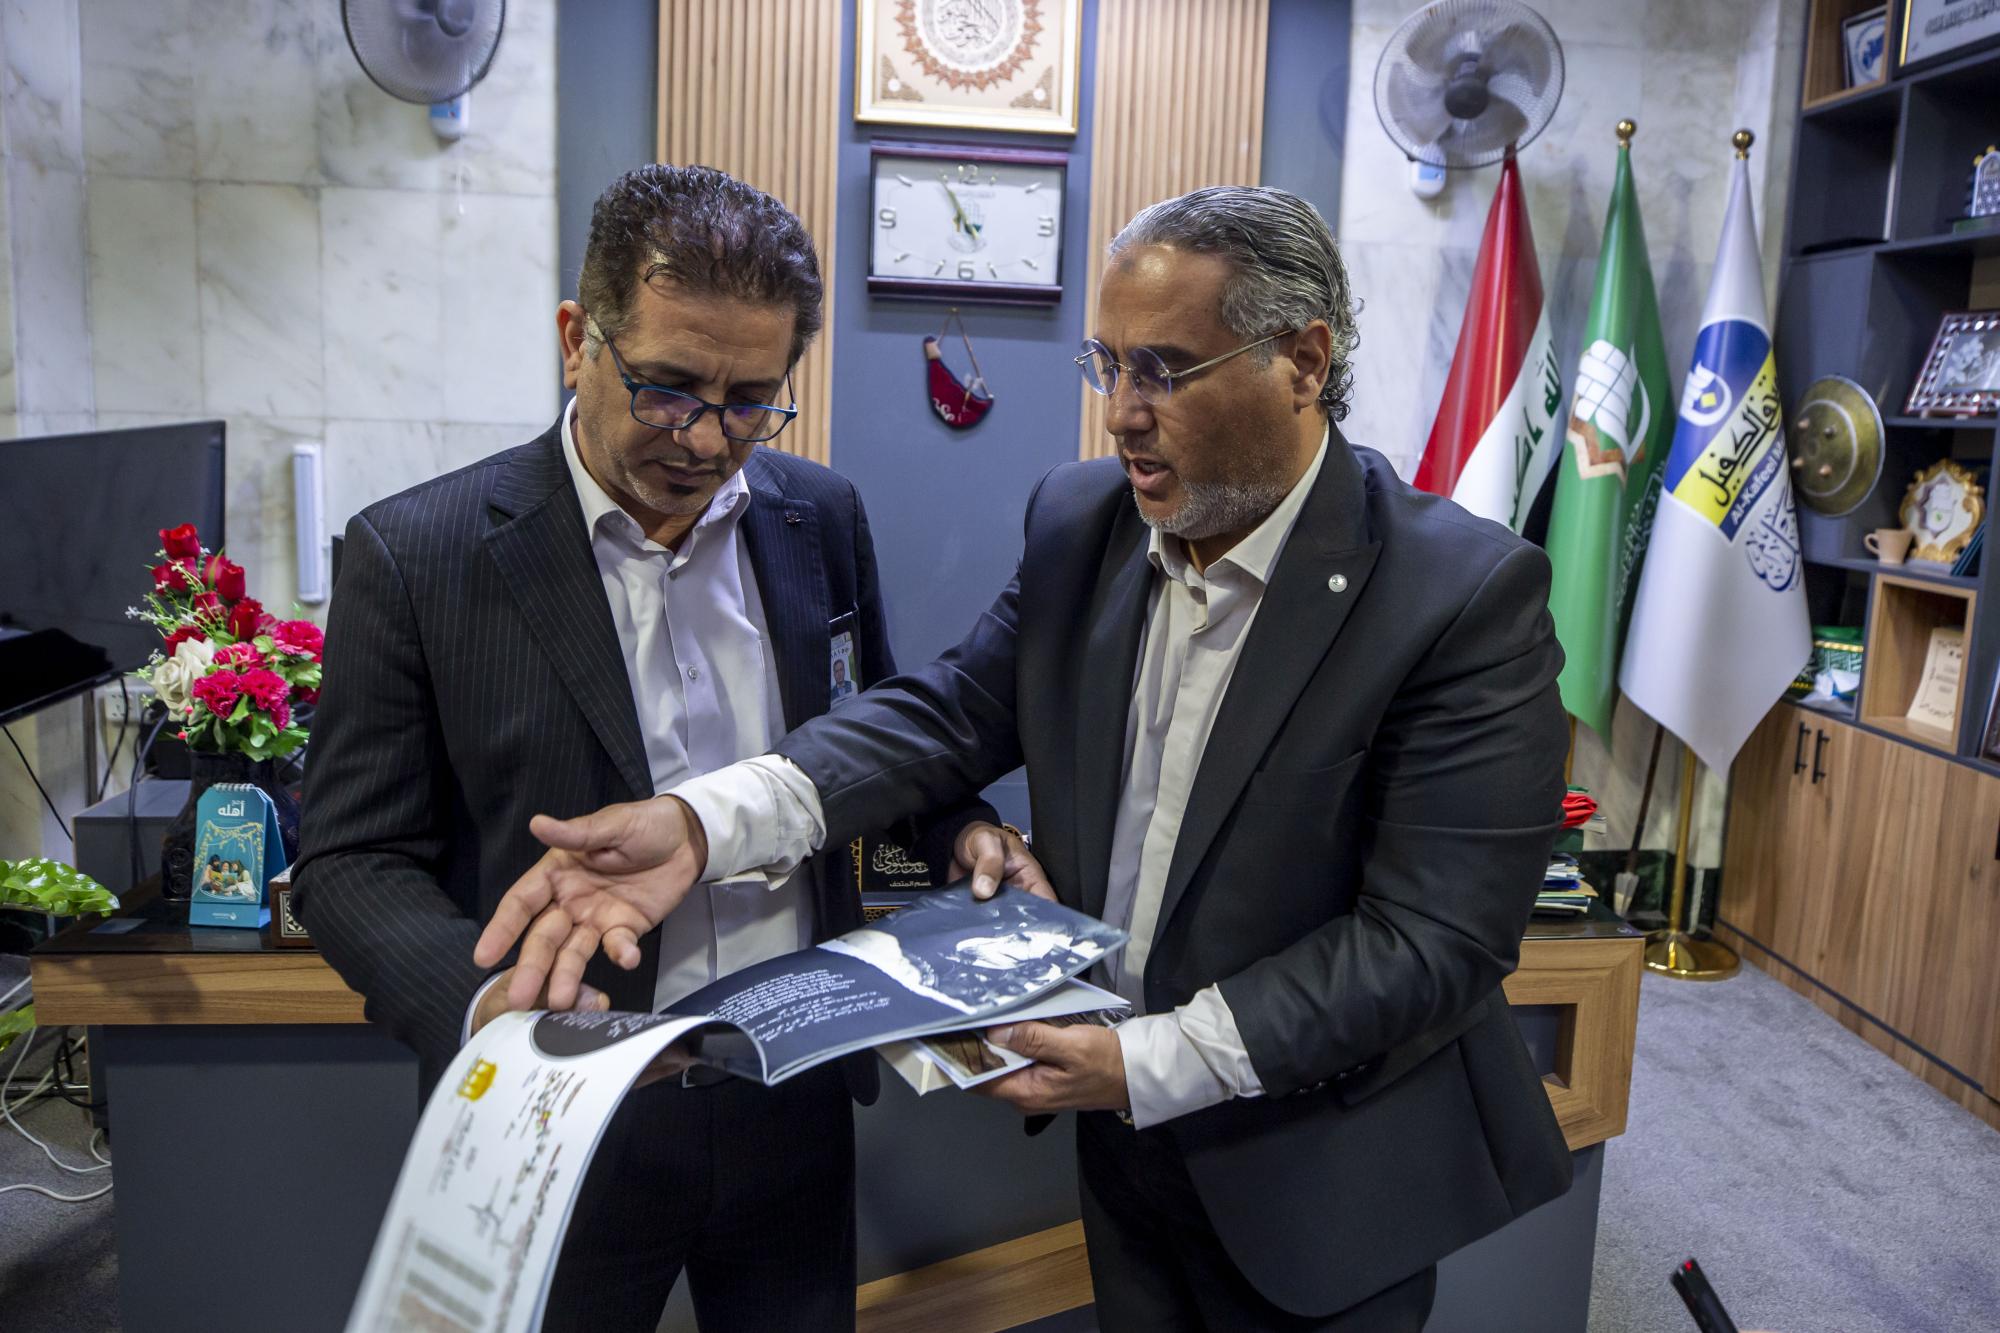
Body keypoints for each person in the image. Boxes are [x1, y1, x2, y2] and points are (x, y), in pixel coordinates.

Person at [477, 185, 1573, 1331]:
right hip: (1125, 1162)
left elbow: (1430, 939)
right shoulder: (1082, 522)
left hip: (1320, 1175)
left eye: (1163, 371)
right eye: (1107, 365)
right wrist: (701, 825)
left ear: (1300, 361)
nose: (1122, 416)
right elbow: (946, 712)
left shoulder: (1458, 595)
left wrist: (1142, 1063)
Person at [292, 164, 1043, 1333]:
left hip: (793, 1095)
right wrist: (489, 1010)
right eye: (667, 388)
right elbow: (349, 860)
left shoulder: (818, 516)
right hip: (558, 1113)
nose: (703, 437)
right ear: (574, 341)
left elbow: (871, 747)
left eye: (750, 400)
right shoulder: (418, 553)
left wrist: (960, 828)